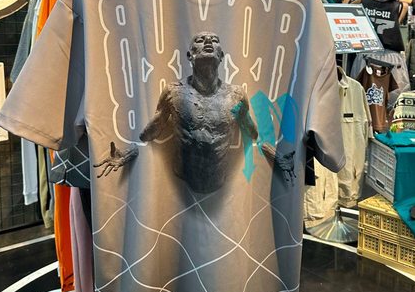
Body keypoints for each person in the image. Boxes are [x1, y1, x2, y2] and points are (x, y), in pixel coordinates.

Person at [94, 31, 296, 192]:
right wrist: (128, 152)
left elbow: (252, 135)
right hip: (180, 183)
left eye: (214, 40)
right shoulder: (173, 92)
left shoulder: (235, 95)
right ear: (190, 55)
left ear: (221, 56)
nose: (208, 41)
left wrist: (276, 156)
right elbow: (151, 132)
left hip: (220, 184)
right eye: (200, 40)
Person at [346, 0, 411, 106]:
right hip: (392, 60)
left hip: (366, 57)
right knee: (391, 105)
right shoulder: (401, 7)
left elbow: (344, 10)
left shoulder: (361, 2)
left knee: (360, 102)